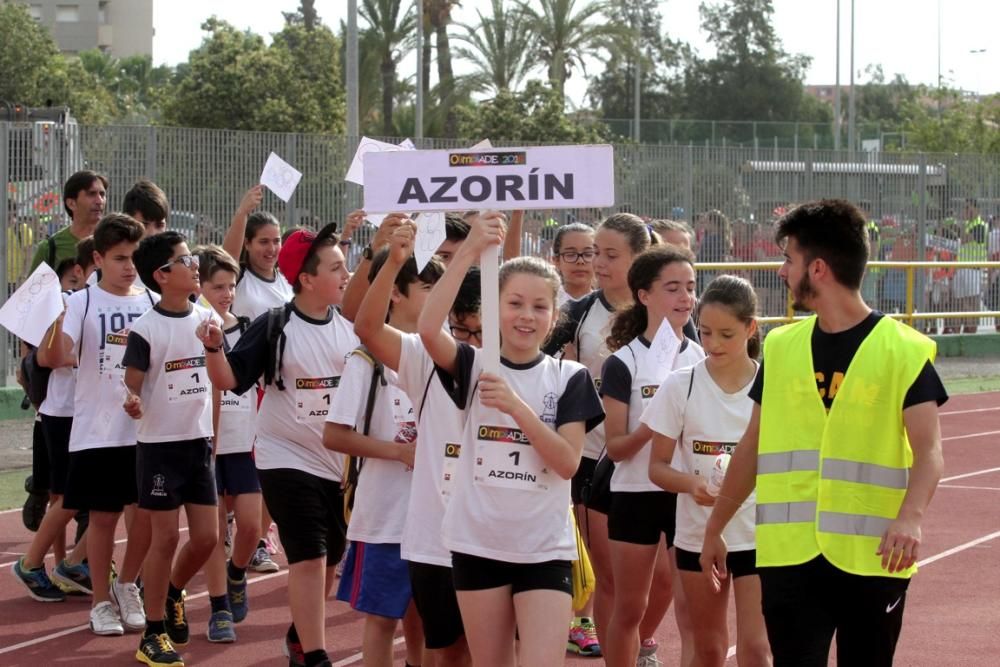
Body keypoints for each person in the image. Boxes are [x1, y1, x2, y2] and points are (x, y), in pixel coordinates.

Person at [700, 199, 947, 667]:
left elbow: (930, 451)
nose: (781, 271)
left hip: (873, 557)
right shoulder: (782, 345)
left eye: (788, 259)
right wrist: (717, 526)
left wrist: (911, 517)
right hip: (789, 557)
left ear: (818, 268)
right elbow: (753, 445)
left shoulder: (904, 351)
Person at [417, 213, 605, 667]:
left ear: (554, 315)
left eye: (539, 307)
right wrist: (468, 250)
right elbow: (426, 329)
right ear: (494, 309)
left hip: (544, 548)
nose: (527, 316)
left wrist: (517, 407)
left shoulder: (570, 377)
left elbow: (567, 464)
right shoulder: (474, 365)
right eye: (515, 303)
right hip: (477, 543)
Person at [200, 224, 357, 667]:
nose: (346, 275)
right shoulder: (275, 326)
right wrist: (214, 349)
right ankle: (316, 654)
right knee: (308, 555)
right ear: (307, 278)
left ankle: (298, 635)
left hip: (335, 462)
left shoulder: (349, 330)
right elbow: (230, 380)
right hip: (283, 456)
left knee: (331, 561)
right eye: (336, 268)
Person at [16, 215, 156, 640]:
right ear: (96, 259)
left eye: (134, 257)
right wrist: (56, 316)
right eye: (119, 258)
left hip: (146, 430)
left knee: (148, 517)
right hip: (97, 429)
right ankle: (99, 603)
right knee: (103, 519)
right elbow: (57, 356)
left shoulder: (150, 299)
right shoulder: (81, 303)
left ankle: (127, 584)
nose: (129, 266)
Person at [544, 213, 676, 659]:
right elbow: (532, 364)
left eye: (609, 254)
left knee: (663, 579)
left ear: (639, 258)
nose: (597, 262)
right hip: (596, 462)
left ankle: (640, 641)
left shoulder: (667, 317)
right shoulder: (577, 314)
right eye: (594, 252)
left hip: (659, 466)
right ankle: (625, 651)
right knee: (613, 578)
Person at [353, 220, 481, 667]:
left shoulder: (525, 372)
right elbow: (366, 328)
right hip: (424, 533)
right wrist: (392, 262)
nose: (471, 345)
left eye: (480, 334)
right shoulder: (423, 359)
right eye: (464, 334)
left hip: (494, 537)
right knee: (439, 645)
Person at [325, 230, 443, 667]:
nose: (437, 297)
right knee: (381, 620)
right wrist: (399, 452)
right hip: (385, 518)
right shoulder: (366, 361)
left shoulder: (448, 356)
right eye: (429, 288)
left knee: (429, 621)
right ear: (396, 293)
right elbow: (334, 436)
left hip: (435, 518)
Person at [646, 275, 771, 667]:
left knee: (756, 649)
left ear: (751, 328)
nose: (713, 344)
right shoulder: (680, 385)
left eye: (727, 334)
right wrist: (692, 483)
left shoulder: (772, 385)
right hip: (698, 534)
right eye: (706, 332)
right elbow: (657, 468)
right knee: (710, 648)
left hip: (757, 535)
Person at [600, 245, 704, 667]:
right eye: (673, 288)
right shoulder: (623, 362)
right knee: (630, 609)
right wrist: (655, 422)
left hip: (687, 496)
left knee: (692, 611)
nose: (685, 298)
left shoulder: (702, 359)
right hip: (635, 494)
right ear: (643, 295)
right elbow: (616, 448)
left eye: (691, 288)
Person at [123, 231, 222, 666]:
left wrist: (213, 434)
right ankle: (152, 633)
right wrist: (131, 401)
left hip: (198, 444)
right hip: (159, 447)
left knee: (206, 537)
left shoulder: (206, 318)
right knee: (164, 539)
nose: (195, 264)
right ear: (162, 275)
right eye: (185, 260)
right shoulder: (145, 329)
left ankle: (173, 591)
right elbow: (131, 384)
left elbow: (216, 379)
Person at [221, 185, 292, 574]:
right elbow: (226, 257)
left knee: (268, 471)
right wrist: (243, 212)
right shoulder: (241, 283)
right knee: (257, 470)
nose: (271, 248)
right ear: (248, 245)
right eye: (263, 241)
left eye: (276, 241)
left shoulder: (285, 284)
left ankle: (258, 536)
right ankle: (249, 535)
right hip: (250, 387)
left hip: (280, 386)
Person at [194, 245, 263, 643]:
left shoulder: (248, 327)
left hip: (244, 441)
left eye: (231, 285)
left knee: (251, 527)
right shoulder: (196, 325)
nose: (226, 293)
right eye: (218, 286)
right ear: (201, 286)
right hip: (208, 442)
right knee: (216, 531)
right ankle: (219, 609)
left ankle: (237, 574)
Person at [29, 171, 108, 273]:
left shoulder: (115, 242)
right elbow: (34, 288)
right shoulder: (50, 248)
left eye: (102, 194)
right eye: (91, 194)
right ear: (71, 203)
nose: (99, 201)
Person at [551, 223, 596, 307]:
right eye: (571, 254)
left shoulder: (607, 304)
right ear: (556, 260)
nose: (580, 261)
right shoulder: (548, 302)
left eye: (588, 254)